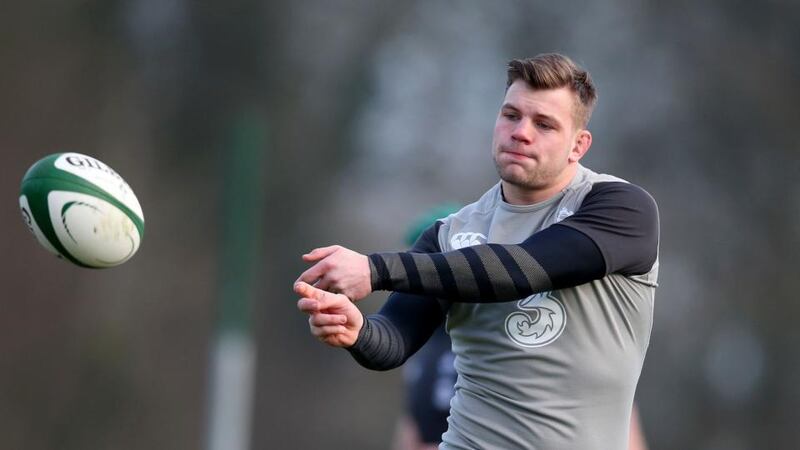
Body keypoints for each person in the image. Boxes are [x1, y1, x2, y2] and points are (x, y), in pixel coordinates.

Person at [295, 53, 659, 449]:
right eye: (511, 115)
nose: (521, 132)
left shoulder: (619, 207)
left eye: (544, 124)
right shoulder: (449, 235)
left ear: (578, 145)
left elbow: (521, 269)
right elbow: (393, 341)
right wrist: (356, 330)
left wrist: (374, 269)